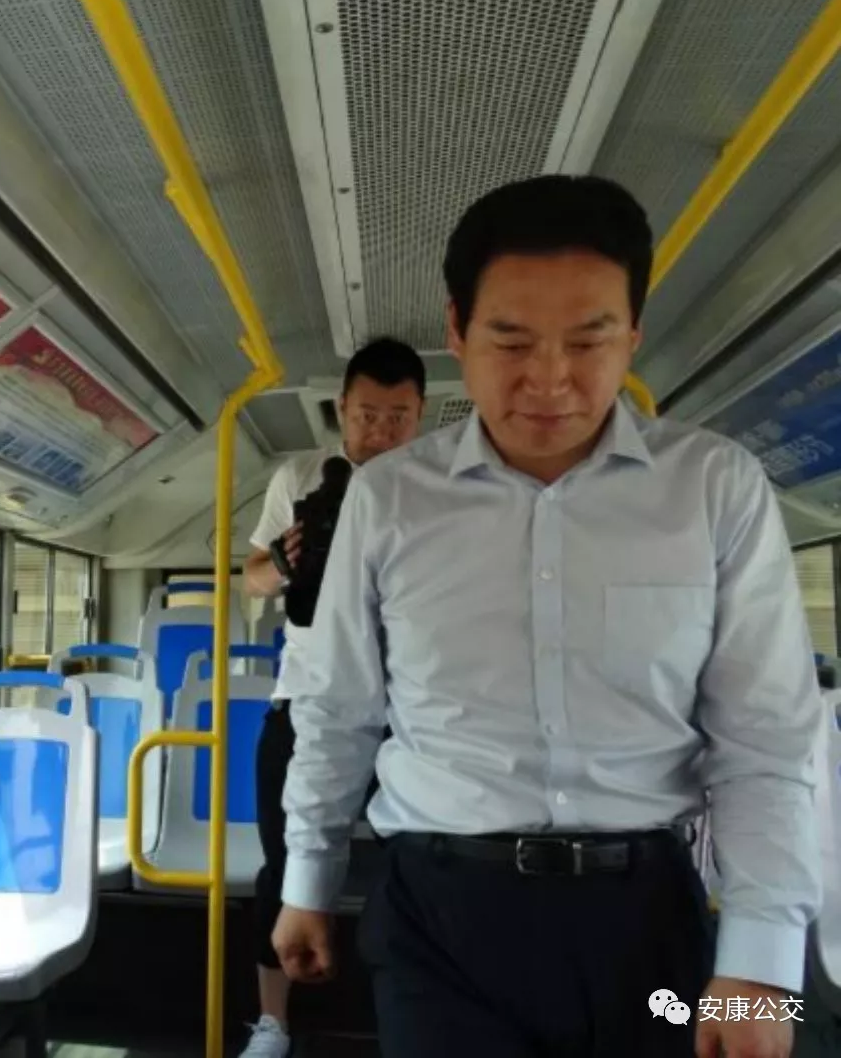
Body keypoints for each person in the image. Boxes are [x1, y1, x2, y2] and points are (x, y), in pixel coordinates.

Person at [272, 175, 822, 1058]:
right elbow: (340, 708)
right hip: (439, 921)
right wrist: (308, 878)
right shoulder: (390, 499)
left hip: (649, 920)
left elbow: (766, 737)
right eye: (512, 340)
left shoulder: (716, 488)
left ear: (633, 334)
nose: (550, 379)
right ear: (458, 331)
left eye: (590, 340)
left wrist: (763, 966)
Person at [239, 336, 426, 1058]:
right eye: (368, 416)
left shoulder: (438, 486)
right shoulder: (299, 476)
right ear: (342, 409)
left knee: (421, 866)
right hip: (308, 694)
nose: (381, 432)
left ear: (420, 416)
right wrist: (285, 564)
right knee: (280, 863)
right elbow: (252, 577)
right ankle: (273, 1023)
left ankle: (412, 1013)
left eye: (397, 418)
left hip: (409, 705)